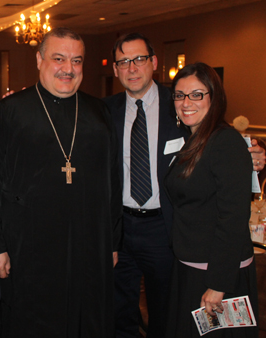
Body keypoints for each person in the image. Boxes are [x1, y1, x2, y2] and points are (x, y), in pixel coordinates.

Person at [102, 33, 265, 338]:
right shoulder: (103, 112)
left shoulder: (179, 104)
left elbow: (220, 147)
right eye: (124, 62)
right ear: (115, 69)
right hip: (120, 229)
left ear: (154, 63)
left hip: (166, 230)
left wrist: (254, 155)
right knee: (118, 312)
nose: (132, 68)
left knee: (169, 315)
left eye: (139, 59)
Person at [0, 27, 123, 337]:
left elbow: (113, 180)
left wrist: (113, 241)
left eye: (77, 61)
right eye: (59, 58)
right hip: (30, 248)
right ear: (39, 59)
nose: (68, 69)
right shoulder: (10, 111)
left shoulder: (98, 112)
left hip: (90, 245)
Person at [165, 62, 258, 337]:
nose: (186, 102)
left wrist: (218, 284)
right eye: (180, 95)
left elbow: (233, 218)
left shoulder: (225, 142)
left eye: (197, 94)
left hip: (217, 277)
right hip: (191, 270)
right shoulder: (194, 140)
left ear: (214, 97)